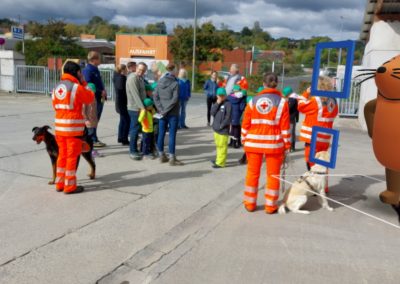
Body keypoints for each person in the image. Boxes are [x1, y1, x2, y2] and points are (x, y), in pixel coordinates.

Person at [241, 73, 291, 214]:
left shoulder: (252, 101)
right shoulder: (282, 103)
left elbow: (245, 124)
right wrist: (287, 145)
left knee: (252, 174)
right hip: (273, 145)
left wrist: (245, 140)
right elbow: (285, 128)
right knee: (273, 175)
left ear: (263, 84)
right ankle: (270, 206)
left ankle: (250, 204)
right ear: (277, 84)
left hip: (253, 143)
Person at [52, 61, 94, 194]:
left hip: (59, 128)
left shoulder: (57, 87)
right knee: (71, 157)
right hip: (73, 129)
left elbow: (55, 106)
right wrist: (84, 83)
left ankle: (60, 183)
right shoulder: (76, 87)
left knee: (62, 156)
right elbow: (90, 98)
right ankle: (70, 186)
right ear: (77, 73)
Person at [298, 76, 338, 171]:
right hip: (325, 138)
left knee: (312, 165)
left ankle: (314, 184)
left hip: (312, 138)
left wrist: (306, 93)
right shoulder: (334, 101)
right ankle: (324, 185)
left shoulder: (315, 100)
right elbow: (335, 113)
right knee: (322, 163)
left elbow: (300, 106)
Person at [153, 63, 184, 166]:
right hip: (172, 113)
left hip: (162, 113)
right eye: (176, 70)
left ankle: (161, 155)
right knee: (172, 135)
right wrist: (165, 110)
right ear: (173, 71)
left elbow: (155, 96)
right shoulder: (175, 83)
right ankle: (172, 158)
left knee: (161, 133)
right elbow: (175, 99)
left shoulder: (159, 82)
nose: (177, 72)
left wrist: (161, 109)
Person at [82, 51, 107, 148]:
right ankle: (91, 139)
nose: (100, 60)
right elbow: (88, 85)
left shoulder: (95, 69)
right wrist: (100, 91)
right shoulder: (88, 70)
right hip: (93, 100)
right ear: (93, 60)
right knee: (92, 119)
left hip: (99, 98)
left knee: (95, 120)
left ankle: (94, 138)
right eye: (99, 58)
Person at [126, 62, 148, 160]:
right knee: (134, 130)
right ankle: (132, 151)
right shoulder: (133, 78)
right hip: (135, 108)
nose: (141, 71)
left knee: (137, 129)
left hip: (139, 107)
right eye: (139, 69)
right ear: (136, 68)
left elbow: (143, 92)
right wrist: (142, 107)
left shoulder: (140, 78)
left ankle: (135, 149)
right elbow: (135, 94)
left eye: (143, 70)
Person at [238, 86, 264, 165]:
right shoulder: (258, 103)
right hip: (256, 129)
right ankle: (245, 158)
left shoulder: (252, 106)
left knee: (250, 146)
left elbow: (244, 120)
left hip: (252, 130)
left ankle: (246, 159)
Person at [211, 88, 232, 168]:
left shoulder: (228, 104)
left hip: (223, 130)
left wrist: (222, 125)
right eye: (219, 96)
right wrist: (217, 103)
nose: (221, 97)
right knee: (218, 145)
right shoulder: (216, 103)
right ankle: (218, 159)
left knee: (222, 146)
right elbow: (212, 113)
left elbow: (228, 117)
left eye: (223, 96)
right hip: (216, 129)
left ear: (225, 96)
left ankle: (221, 163)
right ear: (217, 96)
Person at [113, 64, 130, 145]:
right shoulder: (121, 78)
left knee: (123, 120)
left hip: (120, 102)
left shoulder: (116, 76)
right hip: (122, 103)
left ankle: (120, 137)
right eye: (126, 69)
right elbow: (122, 91)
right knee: (126, 121)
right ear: (123, 70)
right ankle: (124, 138)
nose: (127, 71)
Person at [282, 86, 299, 152]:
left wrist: (285, 102)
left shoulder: (292, 99)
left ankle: (291, 147)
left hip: (290, 118)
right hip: (292, 117)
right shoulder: (293, 98)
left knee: (290, 132)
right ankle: (291, 146)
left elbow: (288, 107)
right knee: (291, 132)